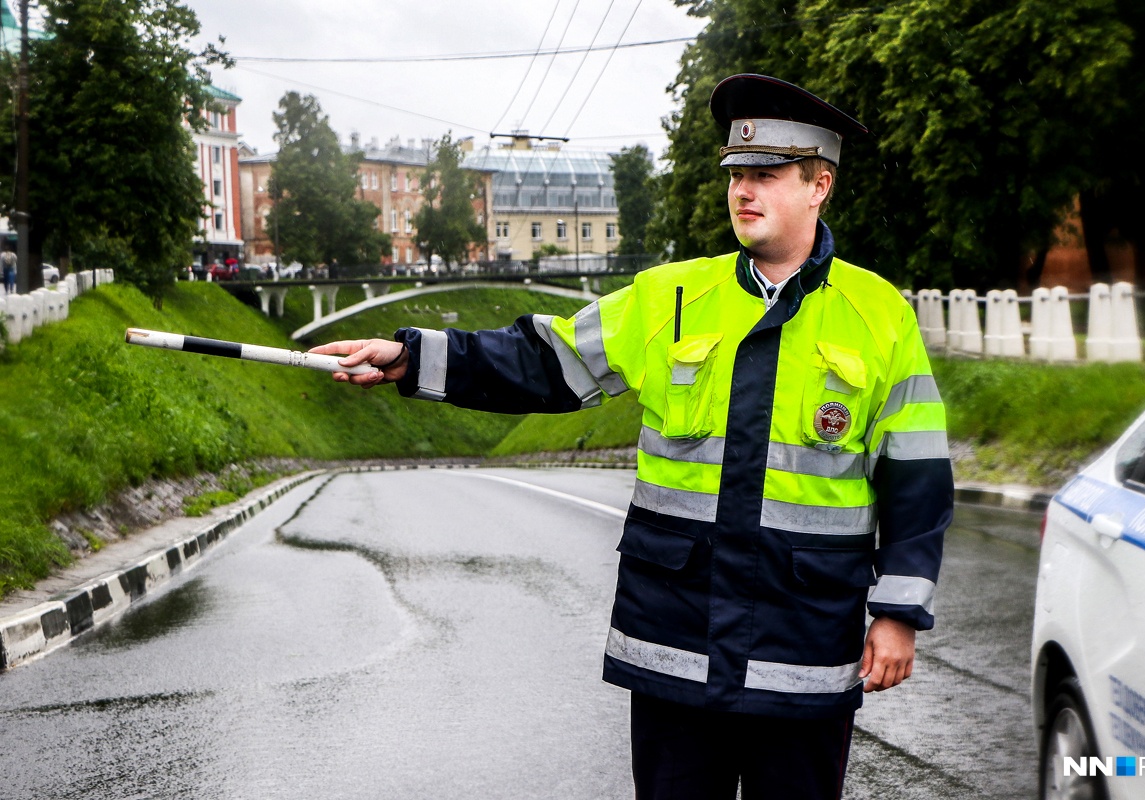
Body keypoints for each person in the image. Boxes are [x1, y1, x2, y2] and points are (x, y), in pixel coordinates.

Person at [311, 73, 954, 799]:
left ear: (818, 185)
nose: (744, 190)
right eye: (737, 174)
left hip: (801, 650)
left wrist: (898, 614)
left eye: (766, 175)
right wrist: (411, 356)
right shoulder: (669, 296)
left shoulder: (878, 316)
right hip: (674, 644)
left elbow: (918, 476)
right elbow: (542, 361)